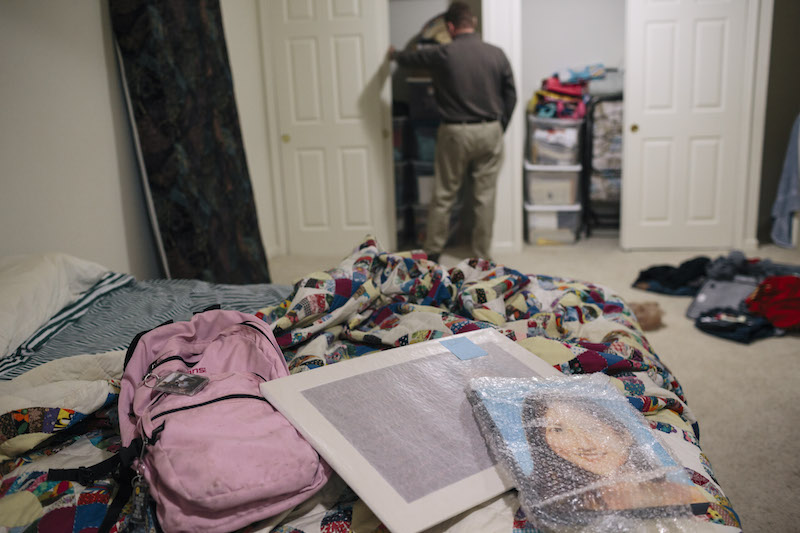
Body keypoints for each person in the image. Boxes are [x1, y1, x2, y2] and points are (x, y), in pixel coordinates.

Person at [387, 2, 517, 263]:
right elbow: (510, 94)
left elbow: (410, 59)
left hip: (455, 132)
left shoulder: (443, 53)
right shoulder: (497, 54)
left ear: (450, 27)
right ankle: (482, 255)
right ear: (473, 23)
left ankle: (433, 250)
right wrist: (499, 126)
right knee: (484, 197)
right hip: (490, 129)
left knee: (445, 194)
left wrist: (394, 54)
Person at [521, 395, 708, 524]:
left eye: (591, 427)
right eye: (558, 429)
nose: (584, 444)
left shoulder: (685, 496)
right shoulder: (556, 504)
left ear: (625, 435)